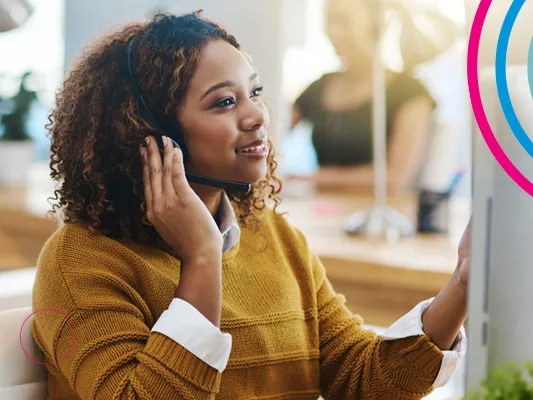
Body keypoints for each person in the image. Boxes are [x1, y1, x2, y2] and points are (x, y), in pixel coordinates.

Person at [32, 12, 468, 399]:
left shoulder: (274, 236)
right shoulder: (80, 262)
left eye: (254, 91)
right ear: (150, 133)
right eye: (224, 101)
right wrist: (202, 255)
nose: (257, 115)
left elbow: (361, 379)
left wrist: (465, 283)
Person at [290, 0, 437, 191]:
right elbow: (270, 132)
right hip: (322, 211)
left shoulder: (410, 92)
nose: (333, 32)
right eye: (329, 20)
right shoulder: (319, 87)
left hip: (381, 215)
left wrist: (303, 178)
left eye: (344, 21)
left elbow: (396, 177)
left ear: (375, 24)